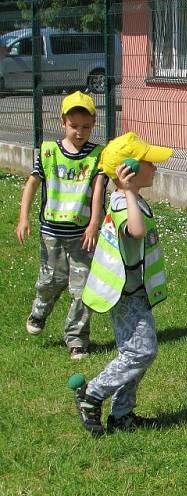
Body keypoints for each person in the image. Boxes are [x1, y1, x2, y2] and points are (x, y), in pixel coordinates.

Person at [73, 132, 173, 436]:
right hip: (124, 294)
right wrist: (128, 191)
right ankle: (92, 395)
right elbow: (137, 231)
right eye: (149, 162)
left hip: (133, 291)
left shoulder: (130, 200)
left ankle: (122, 414)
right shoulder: (122, 202)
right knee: (140, 353)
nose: (155, 167)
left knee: (138, 351)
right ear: (127, 171)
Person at [16, 91, 106, 360]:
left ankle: (77, 339)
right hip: (51, 233)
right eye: (74, 126)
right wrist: (24, 218)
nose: (80, 132)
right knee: (51, 280)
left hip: (82, 235)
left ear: (93, 125)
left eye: (86, 127)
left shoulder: (96, 155)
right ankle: (39, 310)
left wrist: (94, 224)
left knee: (82, 288)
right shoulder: (48, 152)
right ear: (63, 123)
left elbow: (98, 189)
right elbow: (32, 183)